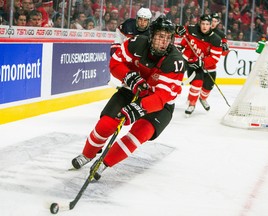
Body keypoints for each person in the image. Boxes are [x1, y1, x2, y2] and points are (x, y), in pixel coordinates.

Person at [71, 16, 186, 180]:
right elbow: (115, 63)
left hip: (159, 105)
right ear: (152, 35)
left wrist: (140, 108)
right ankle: (88, 155)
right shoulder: (136, 43)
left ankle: (103, 163)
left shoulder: (175, 61)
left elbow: (162, 96)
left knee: (138, 134)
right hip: (132, 91)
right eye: (161, 36)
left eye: (168, 38)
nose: (164, 42)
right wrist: (128, 76)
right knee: (106, 125)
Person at [175, 14, 222, 117]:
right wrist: (177, 29)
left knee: (207, 88)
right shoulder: (192, 29)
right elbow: (179, 32)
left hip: (209, 67)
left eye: (207, 24)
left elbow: (215, 58)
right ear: (199, 23)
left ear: (211, 25)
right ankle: (192, 104)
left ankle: (203, 98)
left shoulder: (216, 39)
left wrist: (203, 62)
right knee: (197, 83)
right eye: (203, 24)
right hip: (193, 64)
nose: (205, 26)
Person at [193, 12, 229, 111]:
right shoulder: (199, 29)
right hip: (196, 61)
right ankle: (191, 102)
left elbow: (223, 53)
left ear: (218, 22)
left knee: (209, 85)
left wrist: (225, 49)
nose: (213, 23)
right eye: (212, 21)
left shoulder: (221, 35)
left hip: (209, 65)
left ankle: (203, 98)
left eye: (215, 21)